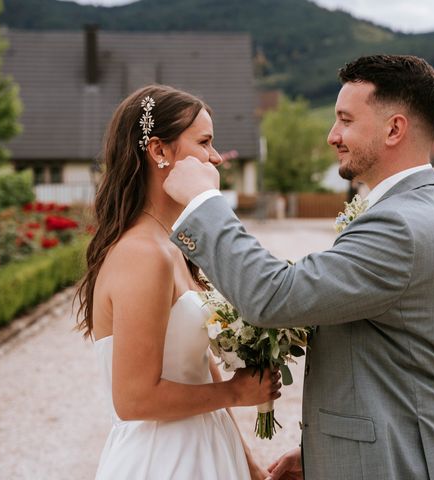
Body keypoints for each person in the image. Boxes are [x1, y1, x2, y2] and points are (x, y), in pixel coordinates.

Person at [163, 55, 434, 479]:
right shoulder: (411, 209)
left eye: (345, 120)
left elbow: (272, 296)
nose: (333, 136)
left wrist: (204, 204)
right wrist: (323, 453)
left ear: (394, 129)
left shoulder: (400, 225)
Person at [75, 85, 281, 480]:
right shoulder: (141, 254)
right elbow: (134, 398)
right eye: (204, 142)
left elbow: (201, 367)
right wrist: (237, 393)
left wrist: (250, 465)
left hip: (209, 446)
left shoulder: (174, 245)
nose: (216, 157)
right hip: (164, 460)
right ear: (159, 152)